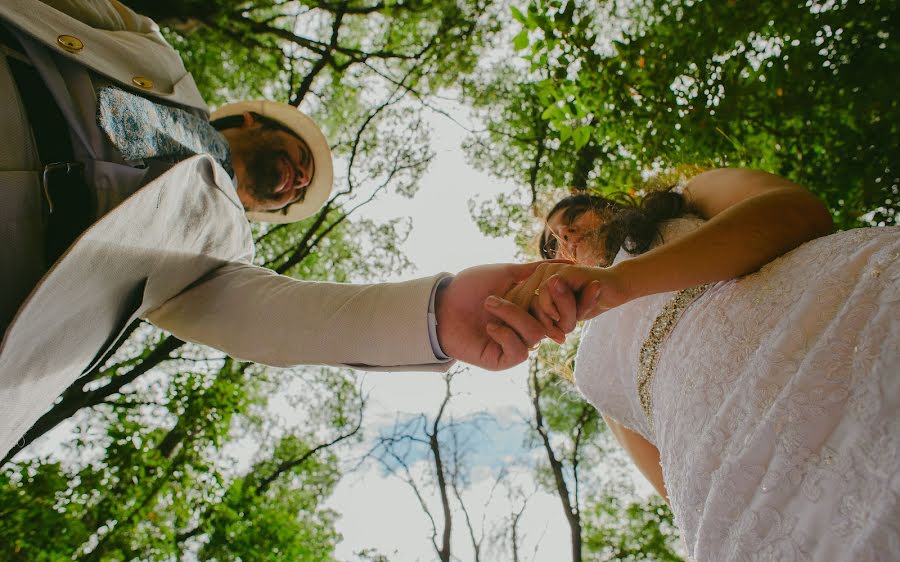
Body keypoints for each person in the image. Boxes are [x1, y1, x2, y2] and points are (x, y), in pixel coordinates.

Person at [0, 0, 564, 461]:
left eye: (299, 192)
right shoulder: (151, 50)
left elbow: (281, 320)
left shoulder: (217, 252)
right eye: (299, 159)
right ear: (250, 119)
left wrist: (437, 315)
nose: (297, 182)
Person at [501, 168, 899, 561]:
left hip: (847, 320)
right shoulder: (590, 372)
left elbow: (799, 213)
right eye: (552, 247)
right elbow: (668, 484)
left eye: (571, 218)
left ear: (607, 206)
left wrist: (622, 281)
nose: (565, 235)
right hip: (749, 479)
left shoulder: (686, 200)